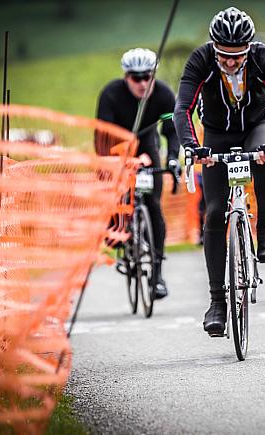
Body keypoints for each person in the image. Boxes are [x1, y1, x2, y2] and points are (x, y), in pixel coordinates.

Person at [174, 7, 265, 336]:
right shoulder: (200, 60)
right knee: (213, 214)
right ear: (214, 48)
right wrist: (192, 146)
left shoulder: (264, 59)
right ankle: (216, 303)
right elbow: (181, 108)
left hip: (257, 125)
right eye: (223, 55)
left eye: (237, 55)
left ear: (249, 48)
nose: (230, 61)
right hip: (216, 134)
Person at [96, 48, 180, 299]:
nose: (143, 83)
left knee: (154, 206)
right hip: (115, 148)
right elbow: (103, 135)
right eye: (136, 78)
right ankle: (120, 236)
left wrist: (174, 158)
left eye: (147, 77)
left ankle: (157, 277)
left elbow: (172, 130)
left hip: (147, 147)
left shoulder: (164, 94)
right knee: (115, 200)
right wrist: (112, 165)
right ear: (126, 77)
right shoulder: (111, 94)